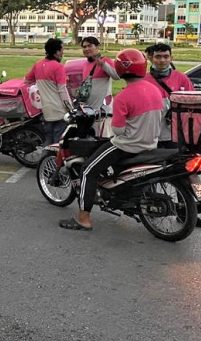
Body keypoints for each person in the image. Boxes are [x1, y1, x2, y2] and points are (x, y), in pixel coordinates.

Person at [60, 48, 163, 232]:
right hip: (151, 143)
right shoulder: (155, 90)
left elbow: (117, 130)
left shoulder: (123, 96)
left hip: (127, 146)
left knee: (87, 171)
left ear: (120, 68)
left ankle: (84, 219)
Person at [144, 43, 201, 228]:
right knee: (150, 174)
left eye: (166, 56)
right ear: (151, 58)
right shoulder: (144, 80)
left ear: (171, 58)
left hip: (179, 137)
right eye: (158, 57)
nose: (162, 60)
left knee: (188, 173)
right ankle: (151, 209)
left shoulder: (182, 78)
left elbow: (195, 104)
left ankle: (190, 210)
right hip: (153, 136)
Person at [24, 38, 73, 145]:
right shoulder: (58, 67)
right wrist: (70, 109)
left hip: (46, 111)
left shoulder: (37, 65)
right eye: (62, 50)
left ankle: (46, 156)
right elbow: (62, 91)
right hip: (59, 111)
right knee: (58, 144)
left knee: (48, 142)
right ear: (57, 52)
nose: (63, 52)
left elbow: (27, 80)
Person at [78, 37, 120, 137]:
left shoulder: (105, 60)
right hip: (89, 112)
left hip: (102, 112)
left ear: (97, 47)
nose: (86, 49)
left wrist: (103, 65)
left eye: (89, 46)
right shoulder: (85, 64)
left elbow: (116, 76)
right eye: (84, 47)